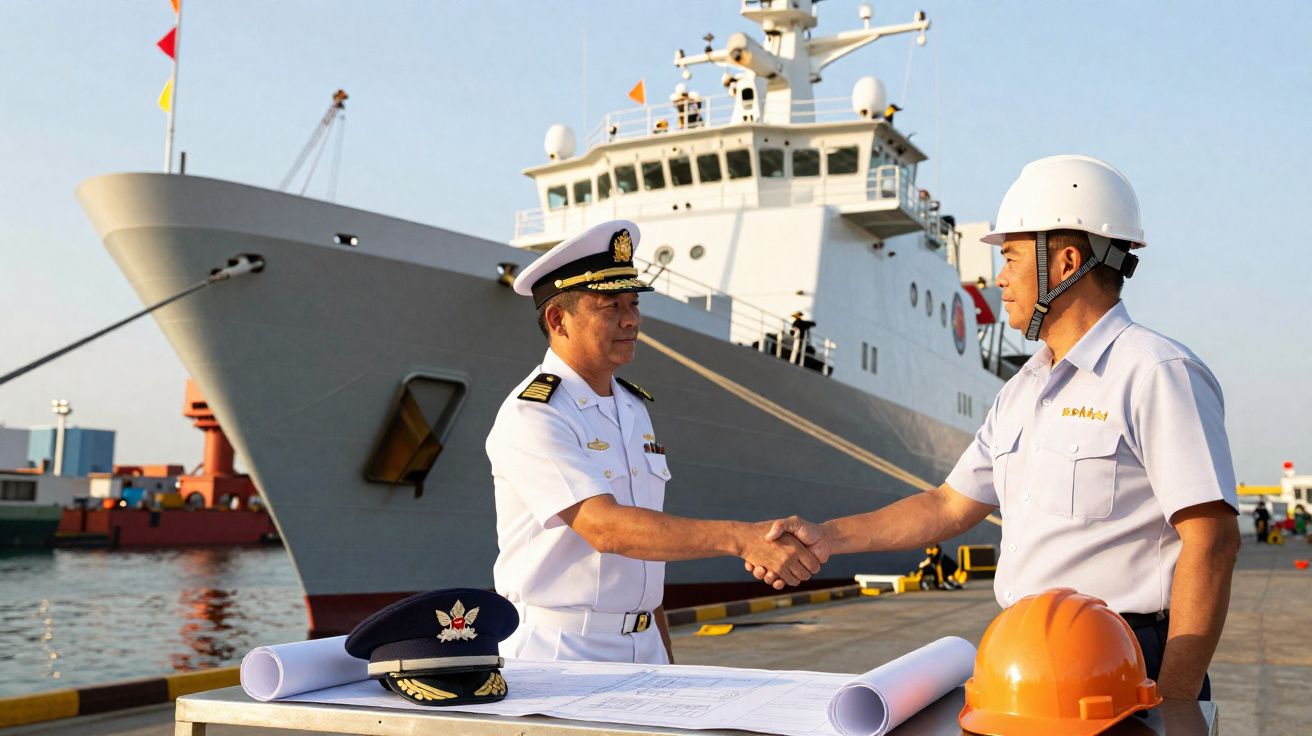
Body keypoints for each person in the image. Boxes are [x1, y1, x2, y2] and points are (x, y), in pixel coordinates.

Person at [753, 156, 1240, 702]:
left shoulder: (1155, 373)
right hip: (1025, 661)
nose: (998, 278)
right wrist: (828, 537)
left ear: (1065, 263)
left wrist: (1174, 704)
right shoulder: (1021, 390)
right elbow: (947, 507)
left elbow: (1212, 539)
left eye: (1009, 258)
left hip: (1123, 663)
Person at [488, 219, 821, 666]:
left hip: (643, 646)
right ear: (557, 319)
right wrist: (741, 539)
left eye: (633, 304)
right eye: (610, 307)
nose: (630, 319)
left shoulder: (631, 408)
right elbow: (605, 528)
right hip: (561, 651)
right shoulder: (535, 413)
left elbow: (643, 558)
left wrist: (663, 658)